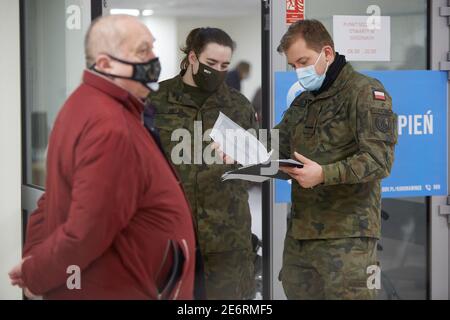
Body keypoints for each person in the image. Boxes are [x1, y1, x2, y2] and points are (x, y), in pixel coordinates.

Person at [8, 15, 196, 300]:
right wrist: (35, 275)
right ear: (105, 64)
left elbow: (54, 197)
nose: (154, 59)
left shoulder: (84, 104)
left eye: (153, 49)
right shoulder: (111, 126)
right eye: (142, 51)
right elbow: (85, 233)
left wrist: (34, 262)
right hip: (120, 287)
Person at [274, 19, 398, 299]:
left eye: (303, 61)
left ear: (327, 53)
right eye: (293, 66)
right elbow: (279, 147)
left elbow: (379, 159)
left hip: (347, 239)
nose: (299, 72)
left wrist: (323, 174)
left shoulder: (365, 92)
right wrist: (243, 150)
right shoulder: (303, 100)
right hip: (301, 236)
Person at [147, 27, 259, 300]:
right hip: (171, 237)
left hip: (227, 237)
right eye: (211, 63)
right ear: (193, 58)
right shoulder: (155, 102)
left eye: (224, 65)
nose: (218, 70)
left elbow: (255, 169)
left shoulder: (238, 105)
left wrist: (246, 163)